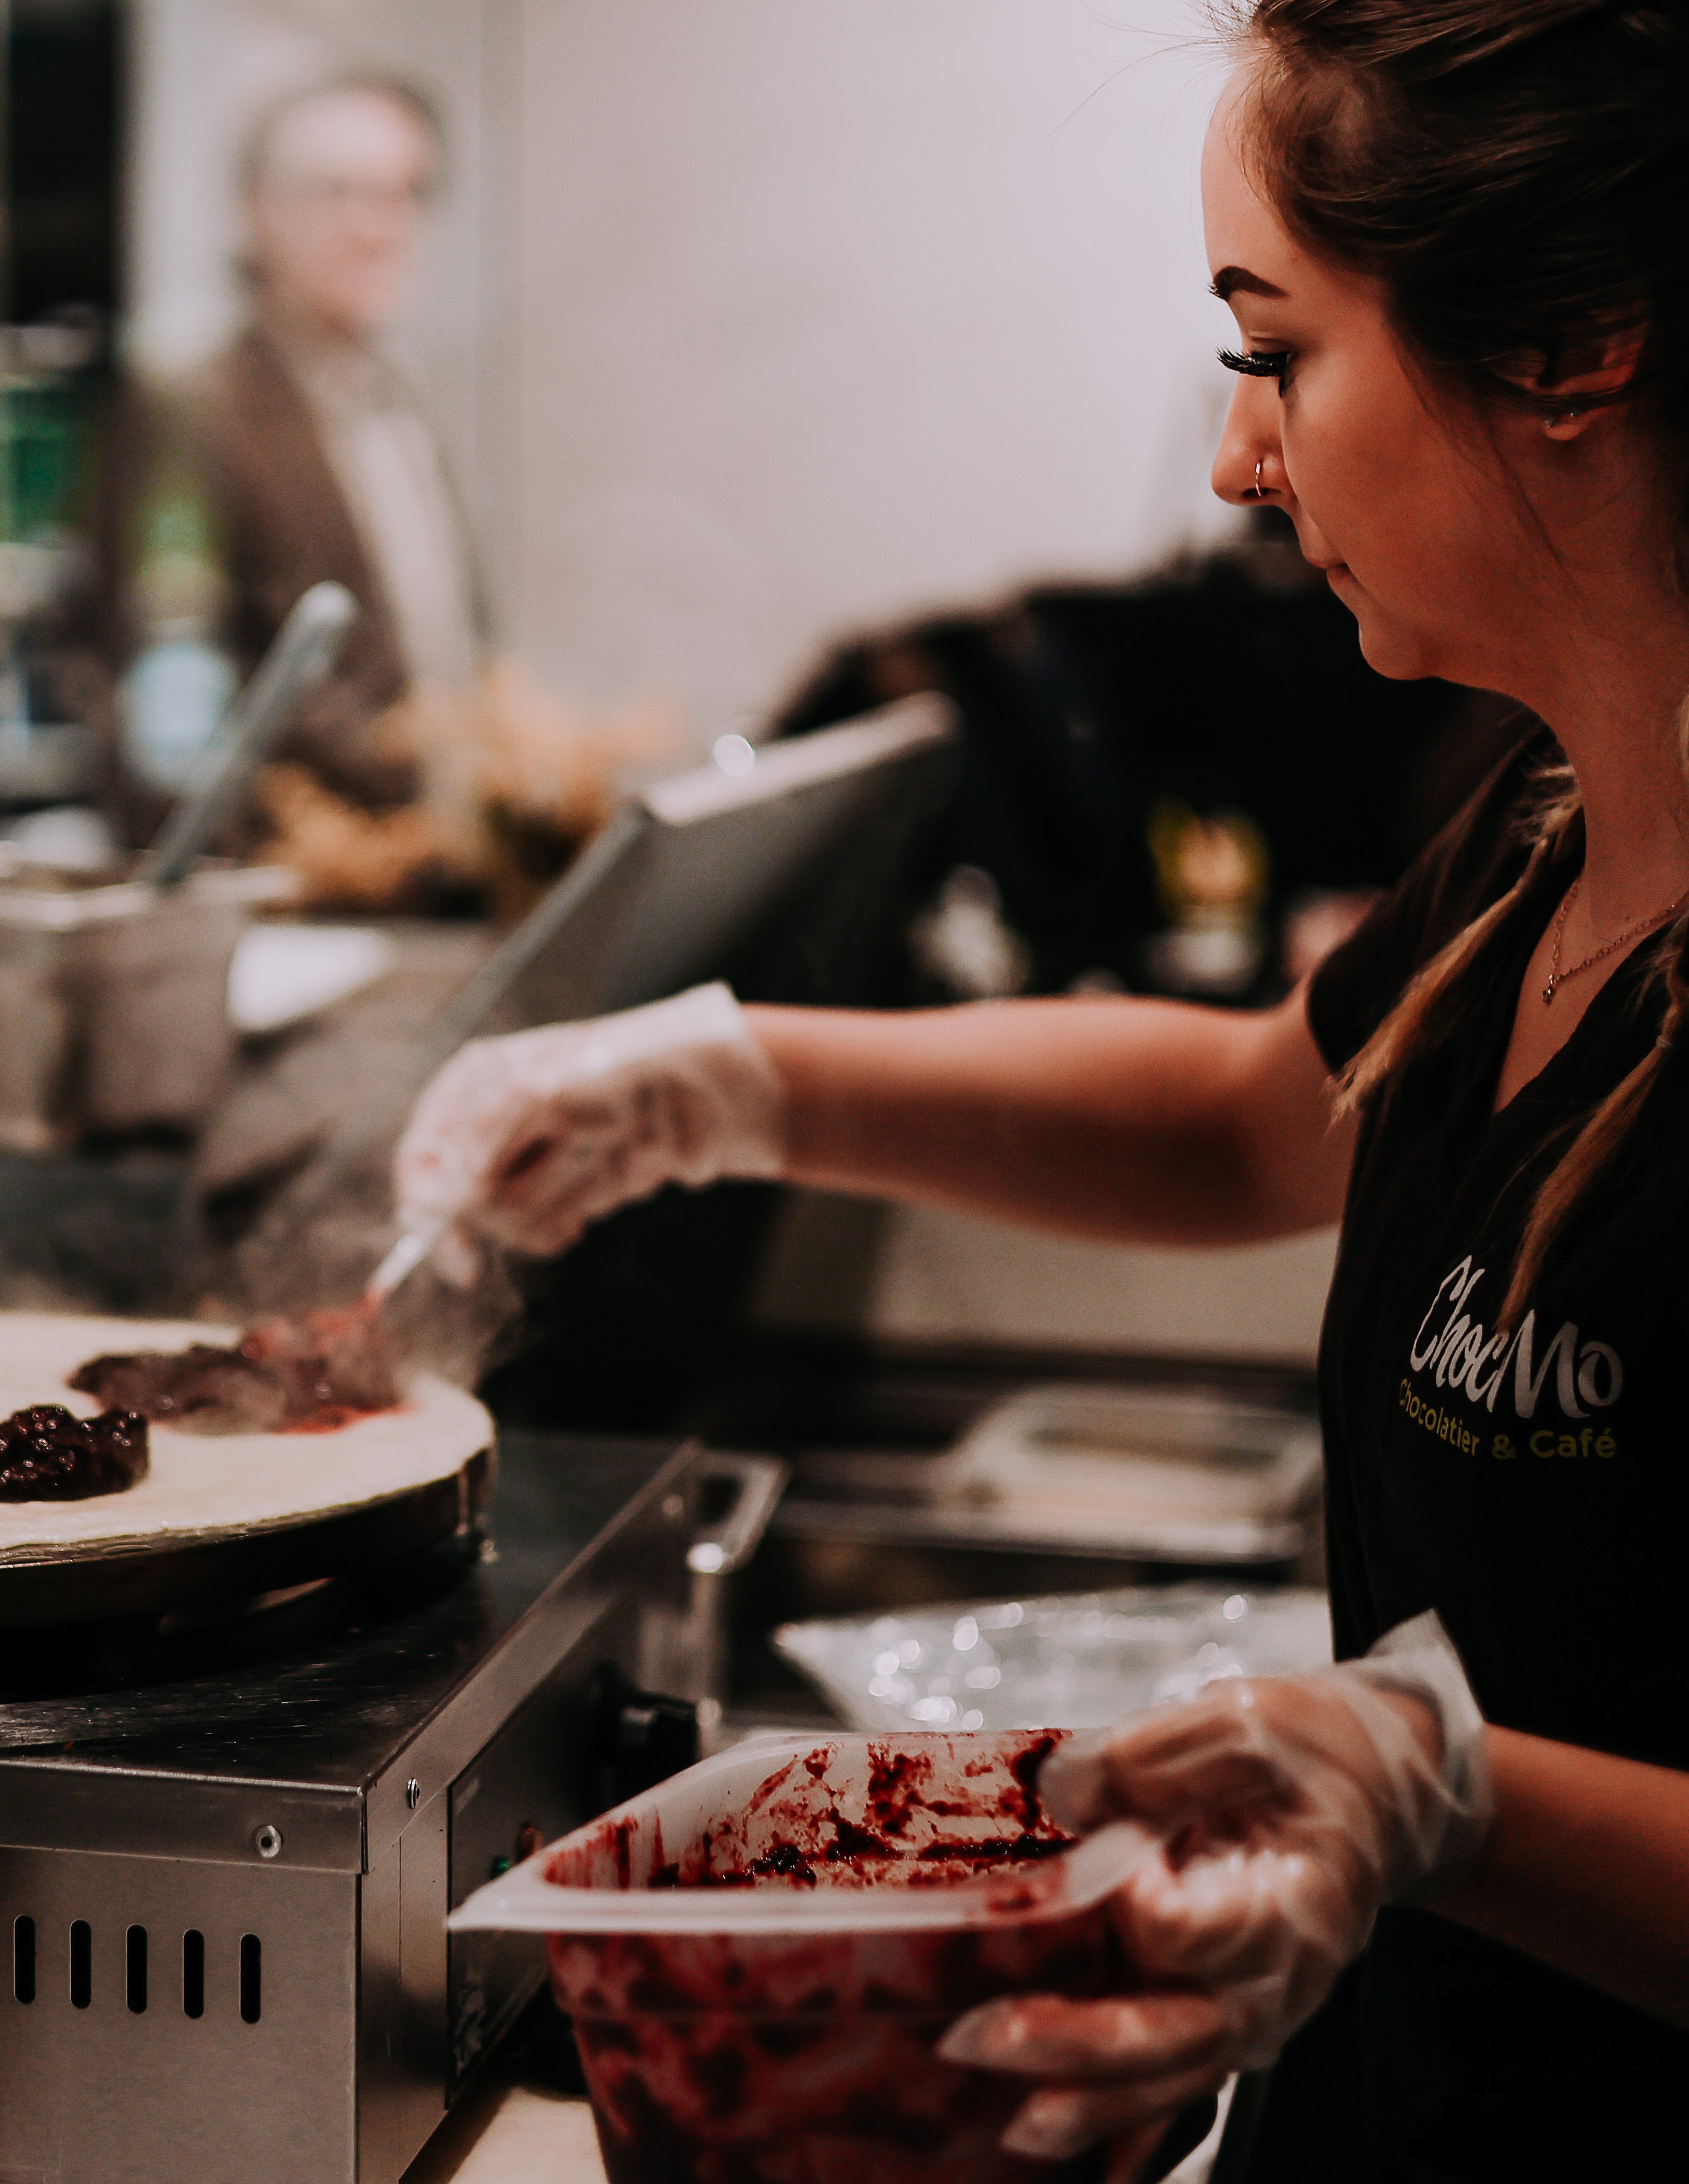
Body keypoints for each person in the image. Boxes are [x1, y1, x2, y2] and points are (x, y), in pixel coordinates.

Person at [389, 5, 1689, 2179]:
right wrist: (725, 1079)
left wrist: (1437, 1792)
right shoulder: (1540, 843)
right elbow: (1235, 1119)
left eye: (1274, 353)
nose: (1235, 469)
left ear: (1571, 344)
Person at [113, 69, 484, 813]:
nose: (377, 226)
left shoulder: (398, 397)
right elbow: (168, 689)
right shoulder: (193, 406)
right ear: (254, 210)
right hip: (296, 890)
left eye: (405, 193)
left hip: (427, 872)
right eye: (336, 192)